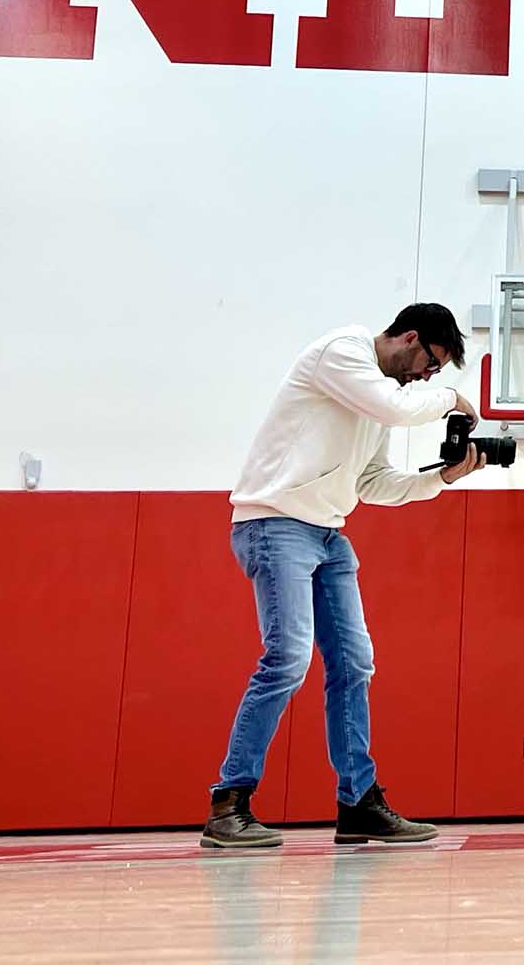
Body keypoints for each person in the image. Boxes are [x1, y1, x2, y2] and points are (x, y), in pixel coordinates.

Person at [201, 304, 486, 852]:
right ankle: (228, 803)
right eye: (431, 364)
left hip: (328, 533)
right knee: (287, 657)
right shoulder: (344, 352)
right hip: (275, 522)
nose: (427, 377)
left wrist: (442, 479)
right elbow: (396, 405)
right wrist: (450, 399)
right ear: (409, 338)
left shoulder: (376, 404)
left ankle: (358, 805)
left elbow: (374, 482)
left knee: (355, 661)